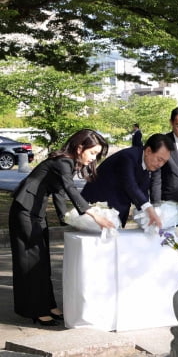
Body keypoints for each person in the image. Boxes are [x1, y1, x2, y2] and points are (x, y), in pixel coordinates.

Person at [9, 129, 116, 326]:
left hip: (35, 210)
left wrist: (69, 220)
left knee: (42, 260)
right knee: (31, 260)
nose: (93, 158)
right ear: (80, 147)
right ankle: (36, 309)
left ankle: (47, 304)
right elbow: (69, 188)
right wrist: (92, 213)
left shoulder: (67, 162)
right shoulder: (64, 161)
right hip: (25, 210)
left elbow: (58, 193)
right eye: (92, 153)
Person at [82, 133, 174, 228]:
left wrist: (150, 214)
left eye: (164, 162)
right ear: (148, 151)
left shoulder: (147, 165)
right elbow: (130, 185)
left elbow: (142, 193)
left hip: (116, 214)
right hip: (95, 210)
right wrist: (149, 209)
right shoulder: (128, 157)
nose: (160, 164)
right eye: (159, 159)